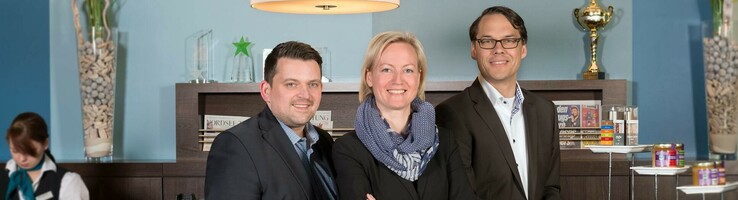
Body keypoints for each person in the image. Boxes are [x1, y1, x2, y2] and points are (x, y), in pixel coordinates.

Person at [435, 6, 561, 200]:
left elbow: (551, 187)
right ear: (474, 49)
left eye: (509, 40)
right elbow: (460, 194)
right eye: (487, 41)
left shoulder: (546, 111)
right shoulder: (452, 113)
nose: (498, 49)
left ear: (523, 49)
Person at [333, 31, 476, 200]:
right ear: (369, 77)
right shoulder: (348, 149)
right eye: (386, 69)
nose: (398, 80)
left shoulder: (445, 141)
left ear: (419, 77)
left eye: (408, 70)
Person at [205, 41, 337, 200]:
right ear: (266, 91)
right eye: (291, 84)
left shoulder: (324, 141)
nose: (305, 94)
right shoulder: (236, 146)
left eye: (313, 84)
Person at [1, 112, 89, 200]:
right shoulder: (3, 178)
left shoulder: (69, 181)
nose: (22, 158)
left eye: (30, 151)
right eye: (15, 151)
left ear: (45, 143)